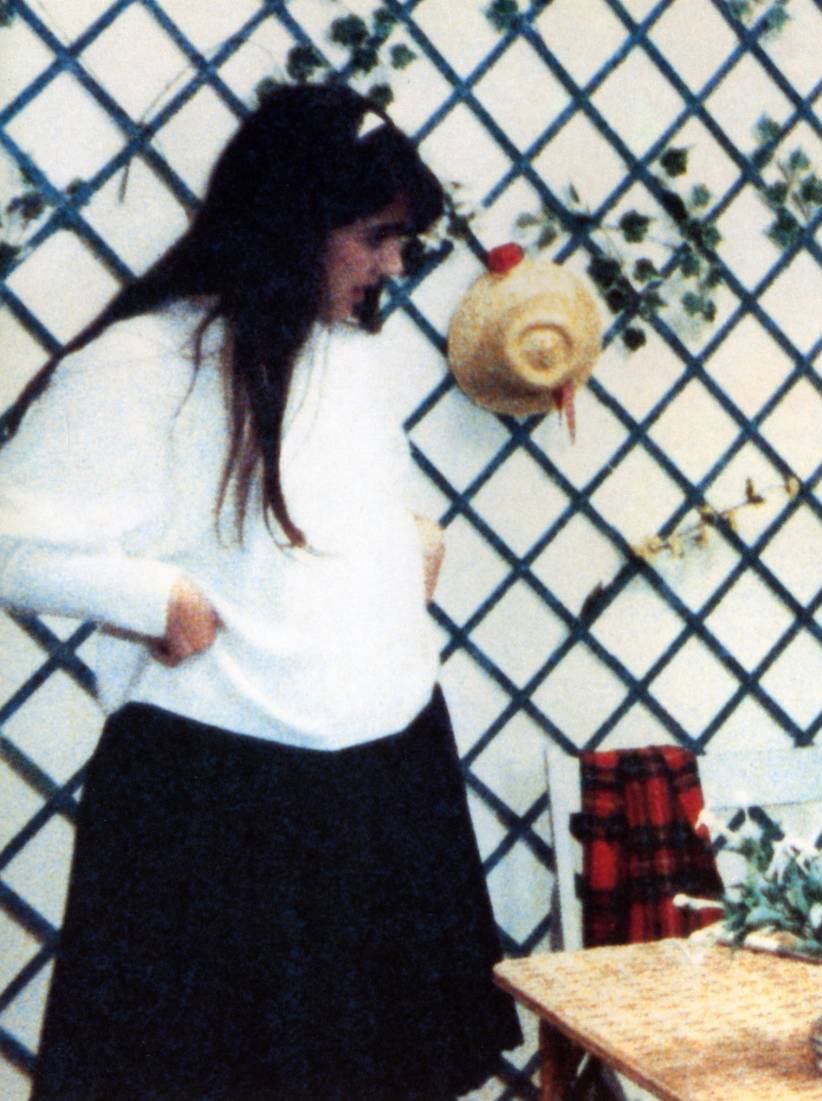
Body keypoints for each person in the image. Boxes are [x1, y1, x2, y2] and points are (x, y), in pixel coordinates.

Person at [0, 83, 520, 1100]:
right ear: (294, 221)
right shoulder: (148, 359)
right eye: (376, 236)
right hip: (221, 811)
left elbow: (335, 504)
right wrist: (153, 599)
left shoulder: (347, 356)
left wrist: (406, 539)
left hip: (386, 789)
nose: (394, 264)